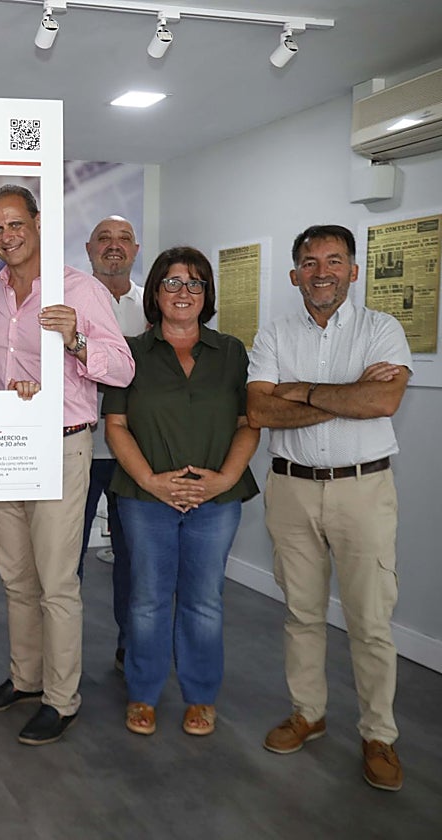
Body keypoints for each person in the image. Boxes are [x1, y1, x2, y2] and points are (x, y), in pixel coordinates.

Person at [247, 224, 411, 792]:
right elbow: (261, 413)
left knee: (369, 622)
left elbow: (382, 399)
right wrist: (343, 395)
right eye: (310, 263)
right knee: (302, 613)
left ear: (353, 271)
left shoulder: (381, 329)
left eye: (334, 261)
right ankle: (308, 714)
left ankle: (379, 736)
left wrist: (303, 390)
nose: (322, 272)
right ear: (295, 274)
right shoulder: (273, 334)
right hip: (291, 489)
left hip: (363, 491)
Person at [0, 184, 134, 746]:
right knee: (15, 577)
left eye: (15, 224)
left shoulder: (78, 288)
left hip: (61, 444)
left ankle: (61, 699)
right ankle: (25, 679)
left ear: (38, 223)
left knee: (56, 582)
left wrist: (77, 339)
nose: (7, 237)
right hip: (3, 445)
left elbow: (122, 369)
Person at [102, 246, 259, 737]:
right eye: (172, 282)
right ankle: (143, 694)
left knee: (204, 600)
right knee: (147, 599)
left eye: (194, 283)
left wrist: (224, 479)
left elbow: (247, 423)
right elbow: (117, 425)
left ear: (207, 293)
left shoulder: (231, 351)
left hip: (216, 500)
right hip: (146, 498)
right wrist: (151, 480)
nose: (183, 292)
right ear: (154, 292)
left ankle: (200, 696)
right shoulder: (130, 350)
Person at [81, 215, 149, 672]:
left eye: (123, 239)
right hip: (80, 450)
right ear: (88, 249)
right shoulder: (69, 299)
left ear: (136, 249)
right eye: (104, 239)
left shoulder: (157, 304)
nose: (113, 246)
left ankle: (132, 649)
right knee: (65, 561)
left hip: (134, 452)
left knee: (134, 559)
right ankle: (61, 656)